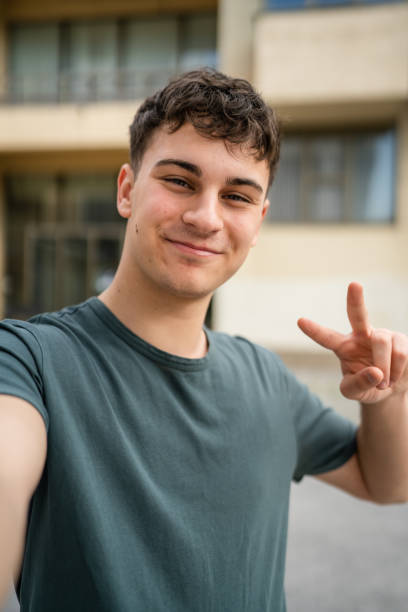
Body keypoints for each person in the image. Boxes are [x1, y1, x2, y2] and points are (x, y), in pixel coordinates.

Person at [0, 68, 407, 612]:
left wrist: (386, 400)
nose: (204, 217)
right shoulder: (29, 362)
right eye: (179, 181)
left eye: (236, 196)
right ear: (127, 190)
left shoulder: (267, 378)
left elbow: (384, 483)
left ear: (258, 221)